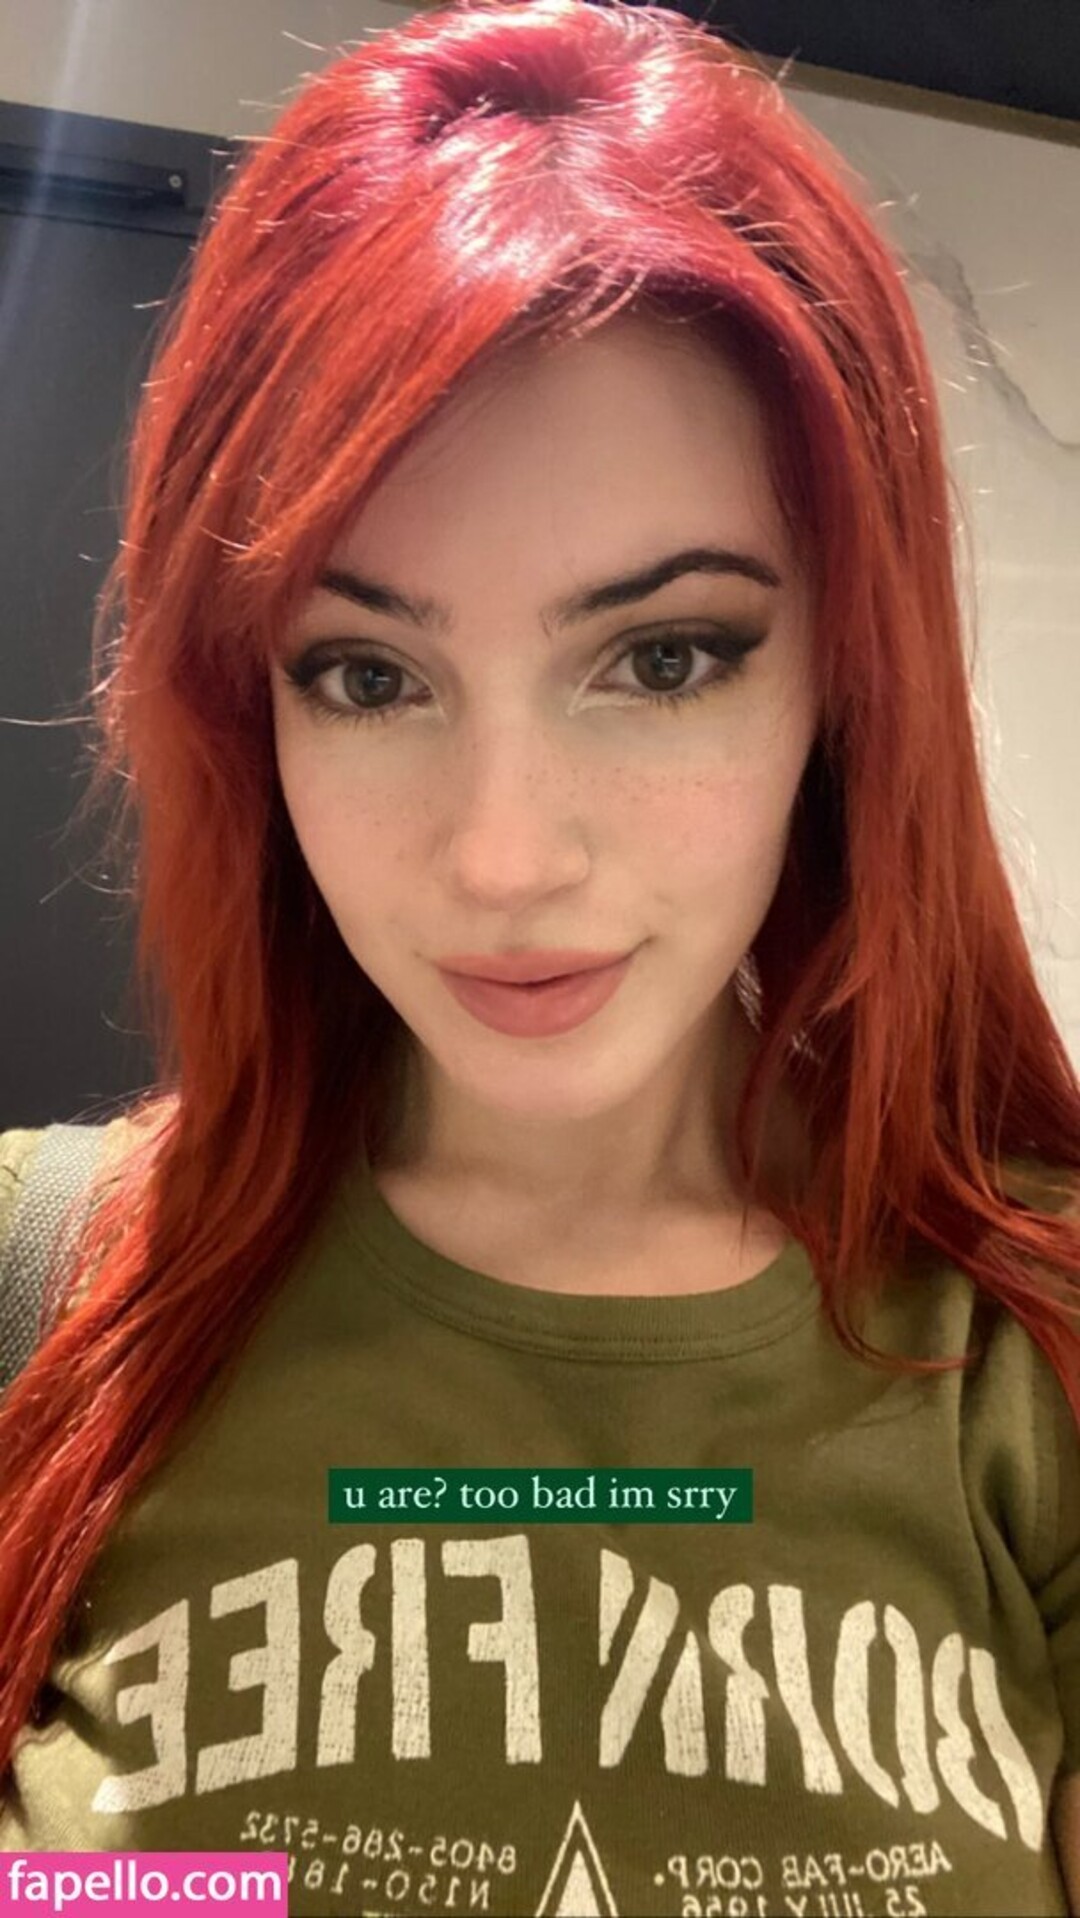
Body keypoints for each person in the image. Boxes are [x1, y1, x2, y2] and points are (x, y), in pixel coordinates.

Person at [0, 1, 1078, 1911]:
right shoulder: (42, 1293)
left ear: (843, 679)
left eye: (662, 656)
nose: (503, 856)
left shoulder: (1035, 1357)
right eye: (368, 674)